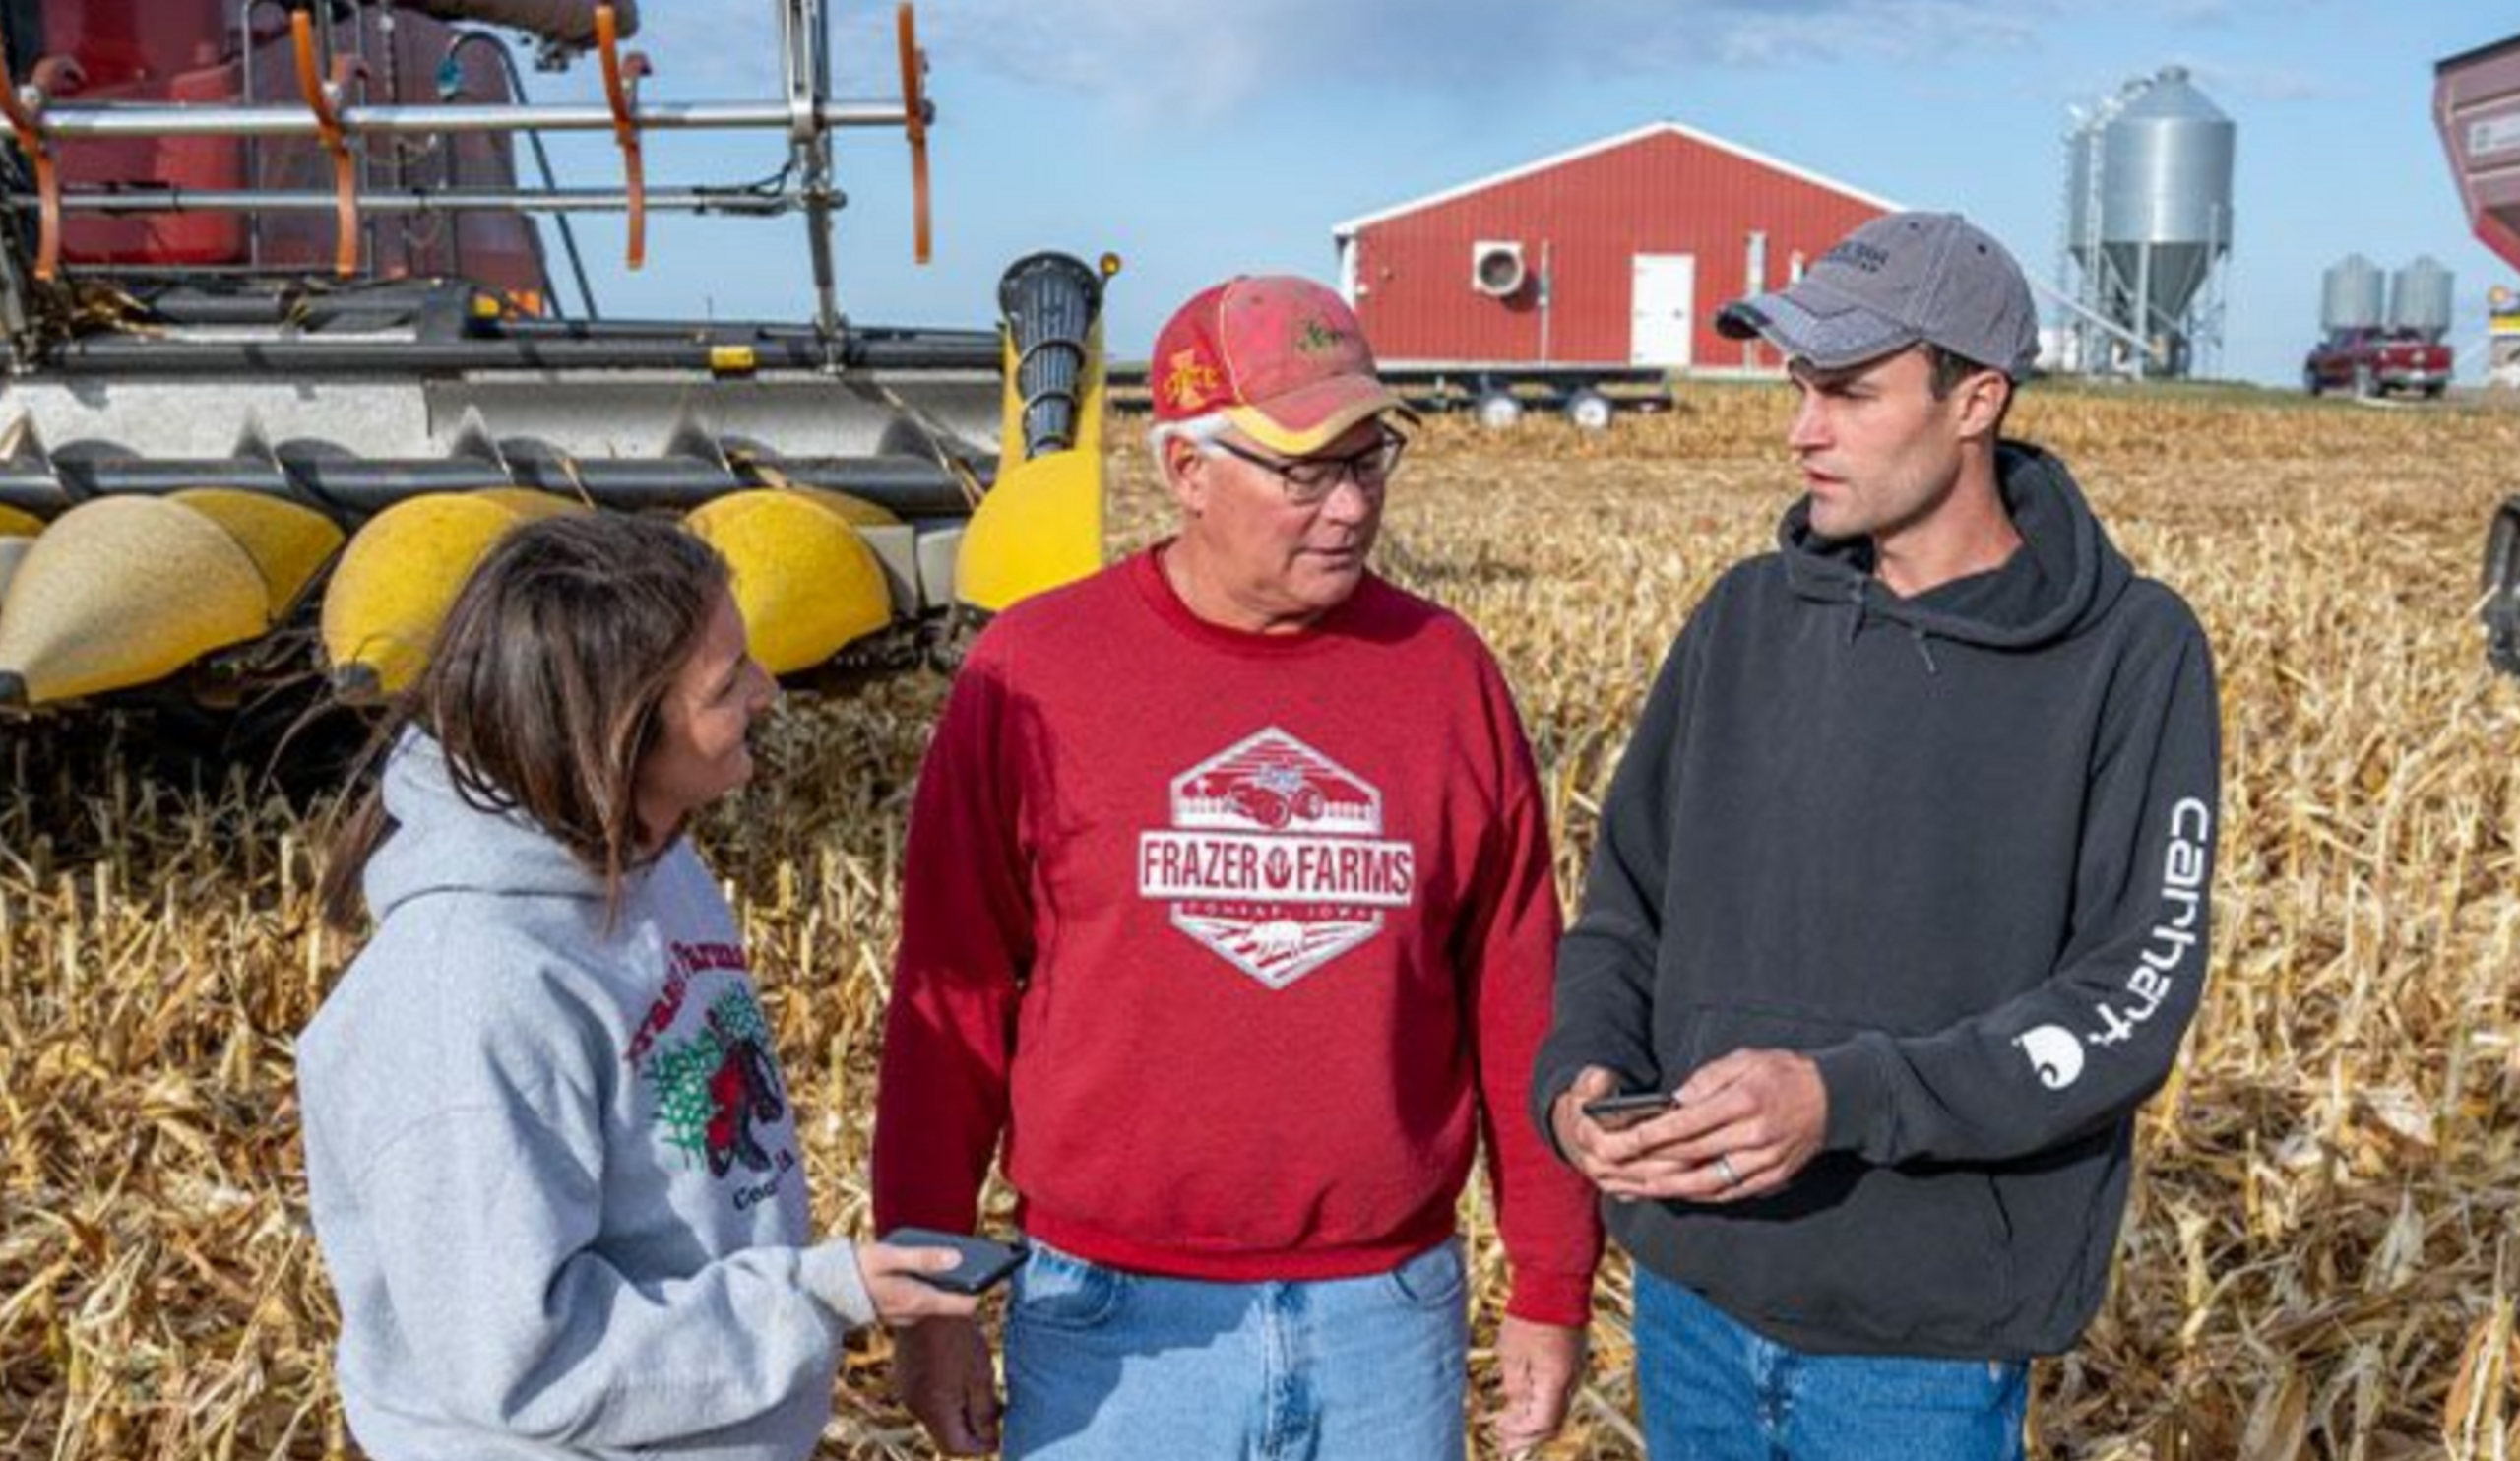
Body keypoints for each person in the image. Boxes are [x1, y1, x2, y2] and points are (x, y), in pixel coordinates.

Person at [872, 275, 1604, 1459]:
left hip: (1388, 1317)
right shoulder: (1034, 673)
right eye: (1303, 471)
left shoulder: (1442, 673)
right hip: (1110, 1319)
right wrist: (930, 1286)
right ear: (1185, 467)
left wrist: (1552, 1277)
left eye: (1370, 460)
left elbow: (1518, 994)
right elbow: (949, 1000)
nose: (1348, 507)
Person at [1531, 212, 2221, 1459]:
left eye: (1848, 392)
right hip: (1689, 1300)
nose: (1803, 428)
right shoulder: (1743, 616)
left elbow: (2130, 998)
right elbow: (1623, 906)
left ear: (1976, 400)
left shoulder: (2127, 651)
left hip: (1920, 1348)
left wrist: (1844, 1099)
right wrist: (1579, 1077)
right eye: (1800, 389)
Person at [297, 513, 976, 1461]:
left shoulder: (651, 865)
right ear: (616, 727)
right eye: (727, 680)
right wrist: (823, 1297)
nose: (768, 693)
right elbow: (528, 1365)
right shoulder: (473, 992)